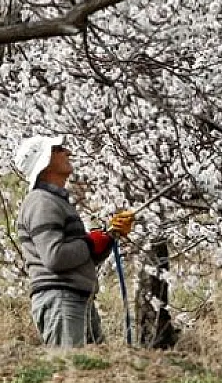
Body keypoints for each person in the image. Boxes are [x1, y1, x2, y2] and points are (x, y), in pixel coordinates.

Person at [13, 135, 135, 347]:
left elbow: (75, 256)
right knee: (69, 373)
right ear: (45, 162)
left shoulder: (54, 202)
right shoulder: (42, 203)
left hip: (74, 300)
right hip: (62, 301)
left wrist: (107, 238)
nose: (67, 152)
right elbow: (55, 257)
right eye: (59, 149)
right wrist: (90, 242)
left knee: (91, 375)